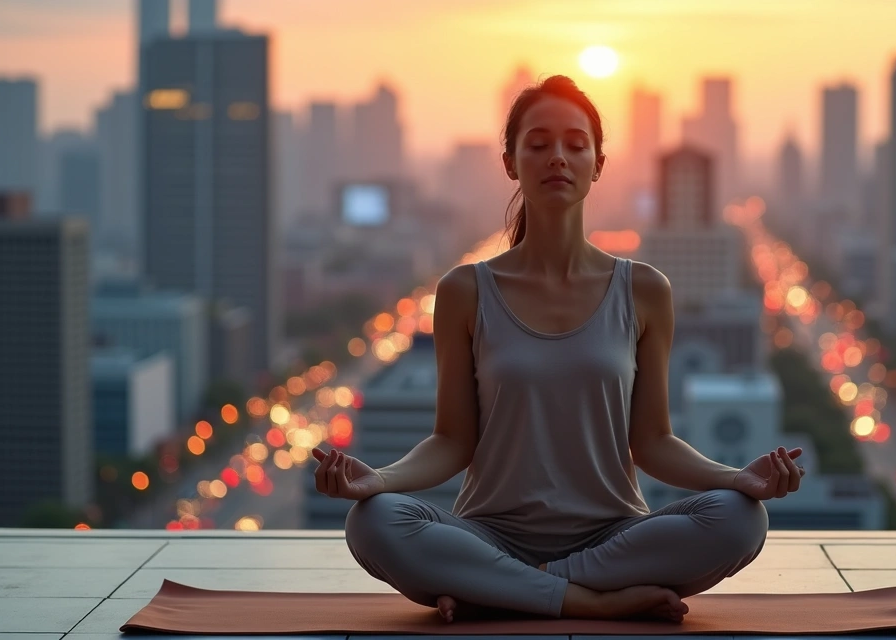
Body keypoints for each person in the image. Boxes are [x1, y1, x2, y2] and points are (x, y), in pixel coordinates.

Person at [311, 74, 806, 623]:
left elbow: (655, 442)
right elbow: (452, 441)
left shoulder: (643, 289)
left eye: (575, 144)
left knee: (742, 520)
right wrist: (375, 480)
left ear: (598, 163)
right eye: (539, 144)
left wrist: (737, 479)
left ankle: (514, 591)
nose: (558, 158)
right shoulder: (464, 291)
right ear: (510, 162)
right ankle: (584, 602)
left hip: (613, 537)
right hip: (489, 535)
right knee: (372, 522)